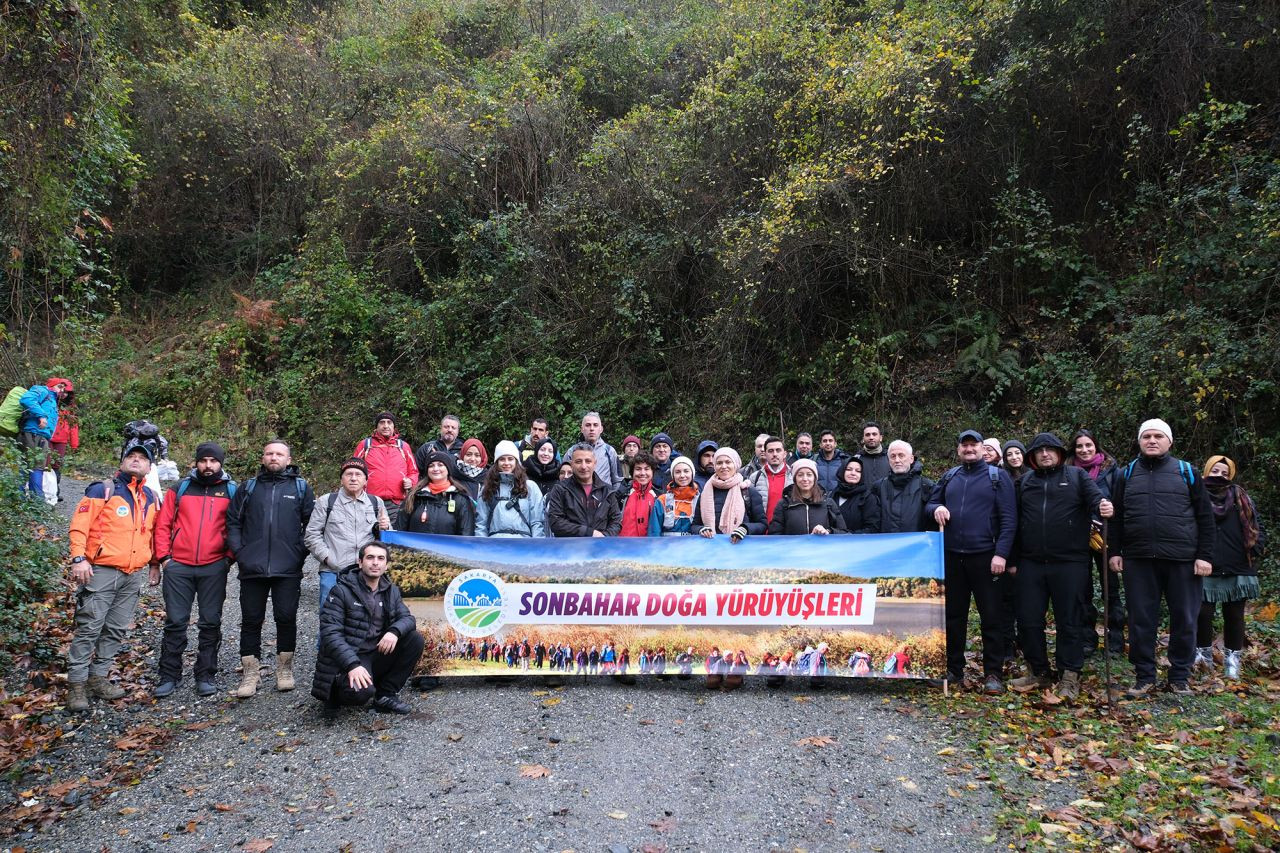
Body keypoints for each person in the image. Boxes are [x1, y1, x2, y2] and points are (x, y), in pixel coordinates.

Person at [1107, 419, 1215, 698]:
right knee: (1141, 620)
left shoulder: (1186, 472)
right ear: (1139, 441)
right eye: (1146, 436)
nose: (1152, 441)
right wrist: (1115, 551)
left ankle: (1180, 677)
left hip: (1182, 559)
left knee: (1185, 619)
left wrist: (1204, 556)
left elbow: (1205, 516)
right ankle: (1144, 676)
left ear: (1169, 441)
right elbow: (1116, 516)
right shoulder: (1126, 473)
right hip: (1139, 559)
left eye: (1158, 436)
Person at [1007, 433, 1112, 702]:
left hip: (1070, 562)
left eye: (1050, 450)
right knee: (1029, 620)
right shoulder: (1025, 482)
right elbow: (1015, 522)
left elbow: (1096, 501)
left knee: (1070, 620)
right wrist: (1013, 560)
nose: (1045, 454)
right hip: (1030, 562)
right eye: (1039, 450)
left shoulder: (1077, 477)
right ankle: (1038, 670)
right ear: (1032, 456)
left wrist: (1104, 506)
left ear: (1060, 453)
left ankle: (1069, 674)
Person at [64, 442, 161, 711]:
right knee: (89, 627)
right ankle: (77, 685)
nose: (136, 461)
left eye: (143, 458)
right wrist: (78, 558)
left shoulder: (151, 497)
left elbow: (151, 534)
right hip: (100, 571)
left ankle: (98, 678)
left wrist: (154, 563)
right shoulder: (102, 490)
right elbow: (78, 527)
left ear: (150, 467)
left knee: (116, 628)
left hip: (132, 575)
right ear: (121, 462)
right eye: (131, 456)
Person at [926, 429, 1017, 694]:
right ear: (958, 450)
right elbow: (930, 504)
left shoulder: (997, 477)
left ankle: (993, 674)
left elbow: (1009, 519)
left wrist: (1001, 553)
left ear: (982, 448)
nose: (969, 449)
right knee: (954, 616)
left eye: (973, 445)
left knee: (992, 617)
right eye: (964, 445)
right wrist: (936, 509)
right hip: (953, 557)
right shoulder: (949, 476)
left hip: (986, 557)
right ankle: (954, 669)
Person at [226, 440, 315, 698]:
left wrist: (299, 552)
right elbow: (233, 521)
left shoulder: (300, 488)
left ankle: (284, 669)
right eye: (269, 453)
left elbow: (311, 524)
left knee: (286, 617)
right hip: (251, 566)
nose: (274, 457)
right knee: (251, 619)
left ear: (289, 459)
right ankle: (250, 672)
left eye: (279, 454)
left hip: (287, 567)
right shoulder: (249, 487)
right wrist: (240, 552)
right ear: (263, 458)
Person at [152, 442, 237, 698]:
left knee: (210, 622)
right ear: (196, 462)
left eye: (213, 461)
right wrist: (165, 558)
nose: (208, 466)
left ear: (220, 463)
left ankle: (205, 674)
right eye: (203, 461)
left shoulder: (231, 490)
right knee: (176, 622)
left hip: (214, 566)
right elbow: (163, 523)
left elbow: (238, 525)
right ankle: (169, 675)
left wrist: (228, 558)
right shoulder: (181, 488)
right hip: (179, 565)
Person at [312, 542, 423, 717]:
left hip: (377, 651)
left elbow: (408, 619)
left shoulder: (390, 590)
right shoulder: (341, 591)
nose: (375, 563)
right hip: (352, 656)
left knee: (414, 639)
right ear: (360, 562)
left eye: (381, 558)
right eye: (370, 557)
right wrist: (352, 665)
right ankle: (335, 690)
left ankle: (385, 695)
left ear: (386, 565)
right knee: (361, 694)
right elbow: (330, 634)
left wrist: (393, 632)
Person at [1197, 456, 1263, 681]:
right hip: (1206, 564)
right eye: (1215, 470)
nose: (1219, 475)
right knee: (1202, 613)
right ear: (1206, 470)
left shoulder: (1240, 496)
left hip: (1238, 565)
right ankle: (1203, 659)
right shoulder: (1196, 494)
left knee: (1234, 615)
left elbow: (1256, 524)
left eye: (1225, 473)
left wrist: (1255, 549)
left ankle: (1232, 661)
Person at [305, 457, 392, 617]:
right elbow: (311, 535)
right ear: (341, 478)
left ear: (366, 479)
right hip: (333, 572)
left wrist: (386, 528)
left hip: (365, 574)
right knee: (329, 620)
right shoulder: (327, 502)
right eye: (348, 474)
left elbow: (387, 540)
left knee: (363, 620)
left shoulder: (375, 503)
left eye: (358, 474)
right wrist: (327, 558)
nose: (353, 478)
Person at [1070, 428, 1126, 658]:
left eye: (1088, 445)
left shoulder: (1113, 472)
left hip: (1106, 536)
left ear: (1096, 446)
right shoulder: (1067, 472)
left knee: (1110, 589)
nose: (1084, 450)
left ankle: (1115, 640)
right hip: (1077, 537)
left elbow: (1120, 508)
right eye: (1079, 446)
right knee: (1081, 590)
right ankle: (1087, 639)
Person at [352, 412, 418, 527]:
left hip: (396, 503)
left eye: (389, 423)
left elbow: (413, 471)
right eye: (382, 423)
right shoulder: (365, 445)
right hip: (369, 501)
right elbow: (352, 469)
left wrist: (411, 481)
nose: (385, 426)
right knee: (368, 535)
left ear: (394, 427)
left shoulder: (403, 447)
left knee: (393, 537)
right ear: (376, 427)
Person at [545, 444, 622, 537]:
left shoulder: (607, 491)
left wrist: (604, 537)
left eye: (588, 461)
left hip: (601, 547)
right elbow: (556, 522)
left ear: (595, 463)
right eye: (578, 462)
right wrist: (589, 533)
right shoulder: (560, 490)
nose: (583, 466)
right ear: (572, 464)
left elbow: (616, 522)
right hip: (569, 548)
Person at [692, 447, 766, 542]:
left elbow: (762, 524)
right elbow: (694, 525)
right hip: (711, 550)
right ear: (715, 466)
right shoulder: (705, 493)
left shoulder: (748, 491)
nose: (723, 466)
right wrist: (701, 529)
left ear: (735, 465)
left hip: (742, 548)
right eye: (719, 463)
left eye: (728, 462)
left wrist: (745, 528)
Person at [396, 451, 476, 535]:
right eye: (431, 466)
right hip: (415, 548)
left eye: (440, 465)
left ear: (448, 469)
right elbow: (400, 529)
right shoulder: (414, 496)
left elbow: (466, 532)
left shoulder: (460, 498)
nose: (435, 469)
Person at [477, 440, 545, 537]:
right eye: (502, 459)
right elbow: (481, 524)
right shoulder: (488, 488)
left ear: (516, 461)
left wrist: (536, 548)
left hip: (523, 545)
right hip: (494, 546)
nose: (506, 463)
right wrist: (481, 548)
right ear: (497, 462)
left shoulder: (530, 487)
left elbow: (537, 522)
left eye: (510, 459)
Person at [766, 458, 847, 535]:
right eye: (800, 475)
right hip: (793, 549)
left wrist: (828, 531)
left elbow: (844, 532)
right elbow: (774, 534)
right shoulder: (784, 504)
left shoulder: (828, 503)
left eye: (809, 475)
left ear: (815, 478)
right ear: (795, 479)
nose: (805, 479)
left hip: (821, 548)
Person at [873, 440, 935, 533]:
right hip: (886, 545)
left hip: (916, 545)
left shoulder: (926, 486)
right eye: (893, 456)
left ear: (911, 459)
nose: (897, 460)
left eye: (901, 455)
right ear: (888, 460)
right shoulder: (878, 487)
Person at [17, 381, 59, 497]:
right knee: (28, 466)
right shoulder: (42, 390)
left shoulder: (52, 399)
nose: (62, 390)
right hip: (32, 433)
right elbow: (26, 399)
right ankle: (28, 500)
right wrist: (41, 416)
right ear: (51, 385)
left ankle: (32, 502)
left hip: (41, 435)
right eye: (59, 386)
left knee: (36, 467)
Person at [746, 435, 791, 526]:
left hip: (787, 534)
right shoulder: (755, 477)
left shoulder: (794, 477)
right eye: (770, 451)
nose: (774, 454)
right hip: (762, 534)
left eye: (778, 450)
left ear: (785, 454)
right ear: (765, 454)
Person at [45, 377, 78, 499]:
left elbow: (74, 426)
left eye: (66, 392)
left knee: (56, 465)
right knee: (45, 463)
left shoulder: (70, 408)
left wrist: (74, 443)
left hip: (61, 440)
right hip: (48, 436)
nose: (64, 394)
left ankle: (54, 491)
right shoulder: (49, 401)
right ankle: (46, 490)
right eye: (62, 391)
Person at [618, 451, 663, 536]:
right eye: (638, 469)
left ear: (652, 472)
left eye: (646, 469)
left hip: (650, 547)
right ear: (632, 472)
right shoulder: (621, 494)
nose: (642, 473)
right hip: (623, 546)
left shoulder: (659, 497)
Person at [833, 457, 880, 534]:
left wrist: (848, 536)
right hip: (832, 543)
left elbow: (872, 528)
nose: (853, 473)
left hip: (857, 543)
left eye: (858, 471)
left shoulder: (868, 497)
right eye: (849, 469)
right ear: (842, 471)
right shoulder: (833, 494)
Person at [579, 411, 622, 489]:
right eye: (588, 425)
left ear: (601, 429)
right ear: (582, 429)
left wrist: (613, 498)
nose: (592, 429)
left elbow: (617, 480)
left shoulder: (610, 451)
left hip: (604, 498)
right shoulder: (573, 452)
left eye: (595, 425)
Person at [658, 456, 699, 536]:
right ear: (673, 475)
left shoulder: (700, 500)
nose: (682, 475)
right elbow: (654, 531)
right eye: (677, 472)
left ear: (692, 474)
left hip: (693, 547)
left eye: (686, 471)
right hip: (667, 547)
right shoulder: (662, 500)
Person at [854, 421, 891, 485]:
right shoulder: (856, 459)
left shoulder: (890, 457)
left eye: (874, 434)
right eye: (867, 435)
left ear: (881, 438)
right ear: (863, 439)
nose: (871, 437)